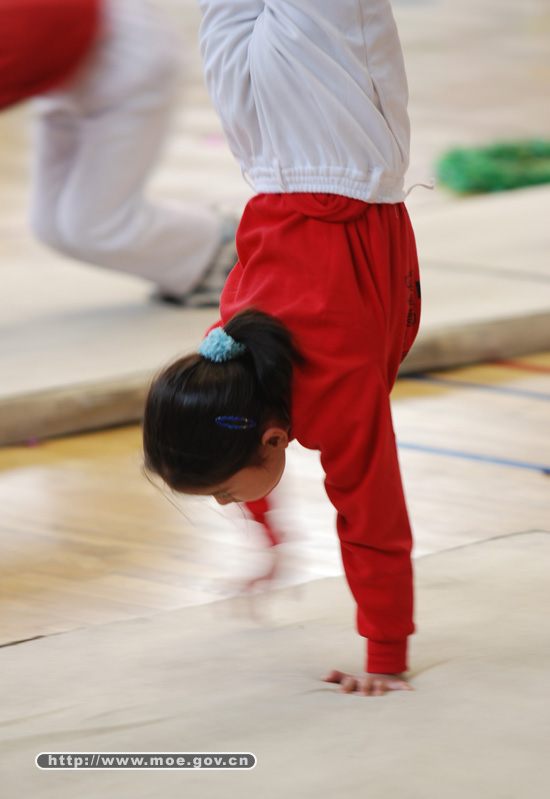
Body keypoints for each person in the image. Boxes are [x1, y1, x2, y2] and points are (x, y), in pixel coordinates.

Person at [143, 0, 421, 697]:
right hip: (260, 141)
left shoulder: (333, 395)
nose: (232, 503)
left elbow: (374, 519)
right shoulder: (233, 351)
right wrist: (266, 535)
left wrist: (385, 655)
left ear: (270, 436)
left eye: (228, 495)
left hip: (343, 141)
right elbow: (236, 444)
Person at [0, 0, 236, 306]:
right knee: (49, 227)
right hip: (66, 73)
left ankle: (227, 248)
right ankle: (206, 258)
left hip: (125, 56)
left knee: (93, 228)